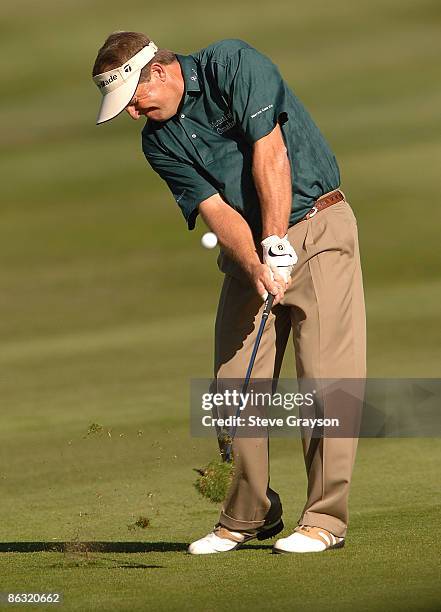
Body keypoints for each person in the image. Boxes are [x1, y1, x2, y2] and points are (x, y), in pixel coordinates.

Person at [91, 32, 366, 554]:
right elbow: (217, 211)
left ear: (157, 72)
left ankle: (325, 521)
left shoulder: (232, 65)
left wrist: (277, 241)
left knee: (326, 378)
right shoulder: (158, 141)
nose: (132, 113)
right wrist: (258, 265)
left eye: (133, 99)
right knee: (231, 386)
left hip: (318, 224)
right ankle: (249, 515)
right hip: (250, 253)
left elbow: (272, 152)